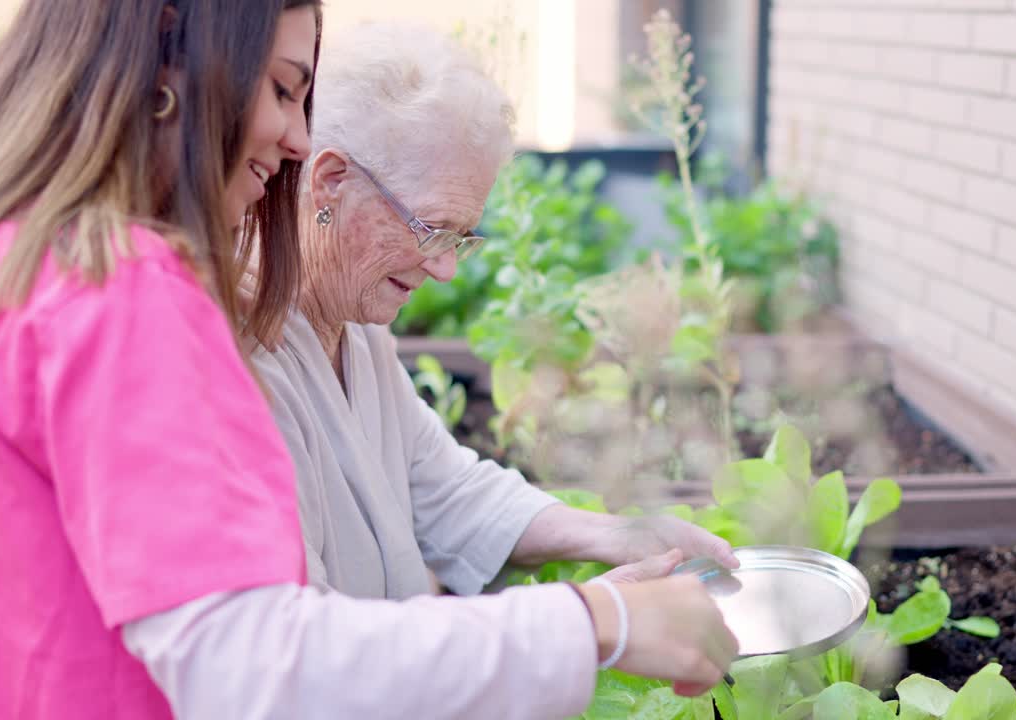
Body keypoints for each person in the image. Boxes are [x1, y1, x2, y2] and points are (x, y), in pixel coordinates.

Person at [0, 3, 736, 720]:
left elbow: (442, 484)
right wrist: (598, 622)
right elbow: (264, 665)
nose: (295, 136)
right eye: (285, 89)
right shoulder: (137, 299)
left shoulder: (31, 259)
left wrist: (613, 539)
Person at [251, 22, 740, 603]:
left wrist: (621, 535)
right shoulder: (247, 358)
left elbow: (448, 490)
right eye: (432, 230)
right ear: (331, 182)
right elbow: (305, 641)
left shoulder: (356, 328)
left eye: (461, 239)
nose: (446, 269)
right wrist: (584, 617)